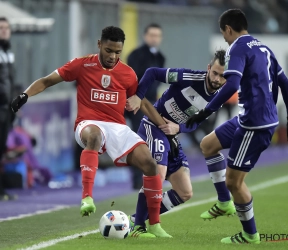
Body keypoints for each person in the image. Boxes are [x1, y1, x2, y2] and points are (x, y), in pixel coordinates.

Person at [11, 26, 172, 238]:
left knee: (150, 165)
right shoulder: (82, 64)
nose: (113, 56)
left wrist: (162, 124)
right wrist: (24, 95)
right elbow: (47, 81)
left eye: (117, 52)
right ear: (99, 44)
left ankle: (154, 226)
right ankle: (87, 197)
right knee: (94, 136)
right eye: (108, 50)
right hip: (87, 123)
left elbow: (141, 102)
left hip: (117, 126)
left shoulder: (128, 74)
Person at [185, 9, 288, 244]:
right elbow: (285, 83)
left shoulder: (236, 47)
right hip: (248, 117)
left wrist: (206, 111)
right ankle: (225, 203)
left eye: (224, 34)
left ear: (228, 29)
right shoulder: (263, 48)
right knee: (208, 144)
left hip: (254, 125)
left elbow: (231, 84)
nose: (225, 39)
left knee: (233, 182)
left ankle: (250, 234)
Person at [125, 49, 227, 229]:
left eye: (222, 76)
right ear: (208, 68)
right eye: (215, 73)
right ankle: (140, 226)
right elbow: (152, 73)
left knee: (184, 192)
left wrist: (178, 127)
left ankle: (135, 219)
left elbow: (196, 123)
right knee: (158, 174)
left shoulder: (219, 97)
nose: (217, 79)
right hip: (153, 125)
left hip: (171, 135)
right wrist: (138, 96)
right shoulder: (188, 77)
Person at [127, 23, 165, 189]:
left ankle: (152, 177)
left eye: (157, 35)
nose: (154, 38)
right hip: (137, 103)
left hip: (153, 104)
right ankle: (136, 180)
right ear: (145, 36)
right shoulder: (135, 55)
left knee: (153, 140)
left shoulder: (160, 57)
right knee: (138, 140)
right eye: (151, 35)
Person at [0, 17, 16, 201]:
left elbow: (10, 82)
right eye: (0, 28)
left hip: (6, 110)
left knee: (2, 149)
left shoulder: (8, 53)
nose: (4, 30)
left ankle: (1, 188)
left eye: (6, 27)